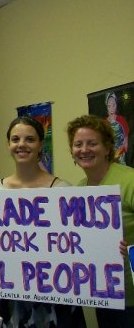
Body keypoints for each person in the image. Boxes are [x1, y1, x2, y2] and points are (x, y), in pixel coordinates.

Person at [0, 117, 84, 327]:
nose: (22, 144)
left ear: (41, 145)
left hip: (55, 295)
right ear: (8, 144)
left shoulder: (62, 190)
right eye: (15, 139)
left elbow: (78, 244)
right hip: (12, 294)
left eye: (30, 139)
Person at [67, 114, 134, 326]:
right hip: (104, 294)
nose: (84, 149)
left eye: (92, 143)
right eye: (78, 144)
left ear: (107, 148)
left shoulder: (129, 180)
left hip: (131, 296)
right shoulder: (78, 190)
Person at [105, 92, 130, 165]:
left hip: (121, 154)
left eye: (113, 105)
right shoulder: (104, 123)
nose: (111, 109)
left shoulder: (121, 120)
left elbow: (126, 139)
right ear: (107, 107)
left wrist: (121, 151)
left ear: (116, 106)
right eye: (109, 106)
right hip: (109, 156)